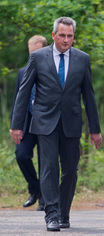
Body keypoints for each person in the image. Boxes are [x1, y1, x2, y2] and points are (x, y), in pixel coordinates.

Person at [10, 17, 102, 231]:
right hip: (44, 121)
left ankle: (63, 213)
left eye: (70, 36)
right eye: (62, 35)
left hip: (71, 122)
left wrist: (95, 129)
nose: (66, 40)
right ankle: (51, 214)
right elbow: (23, 93)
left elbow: (89, 95)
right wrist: (17, 125)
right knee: (49, 168)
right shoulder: (38, 57)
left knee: (70, 169)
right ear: (53, 35)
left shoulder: (82, 58)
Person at [10, 35, 47, 211]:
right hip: (27, 122)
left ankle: (45, 199)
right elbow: (18, 99)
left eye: (37, 53)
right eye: (31, 53)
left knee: (45, 160)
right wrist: (14, 124)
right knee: (22, 155)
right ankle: (35, 189)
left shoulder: (50, 71)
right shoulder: (23, 72)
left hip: (46, 121)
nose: (33, 56)